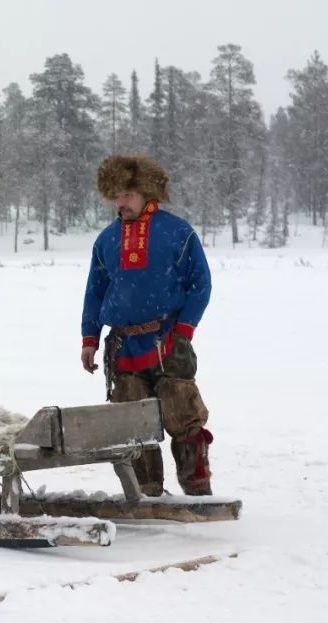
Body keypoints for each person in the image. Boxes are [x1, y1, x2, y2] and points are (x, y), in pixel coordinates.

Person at [80, 155, 214, 496]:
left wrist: (183, 332)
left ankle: (199, 494)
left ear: (144, 192)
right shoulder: (106, 240)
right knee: (132, 425)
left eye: (126, 195)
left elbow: (201, 284)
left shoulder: (177, 232)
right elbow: (95, 292)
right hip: (124, 346)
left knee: (182, 417)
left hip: (167, 341)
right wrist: (89, 338)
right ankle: (147, 497)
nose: (119, 203)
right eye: (115, 196)